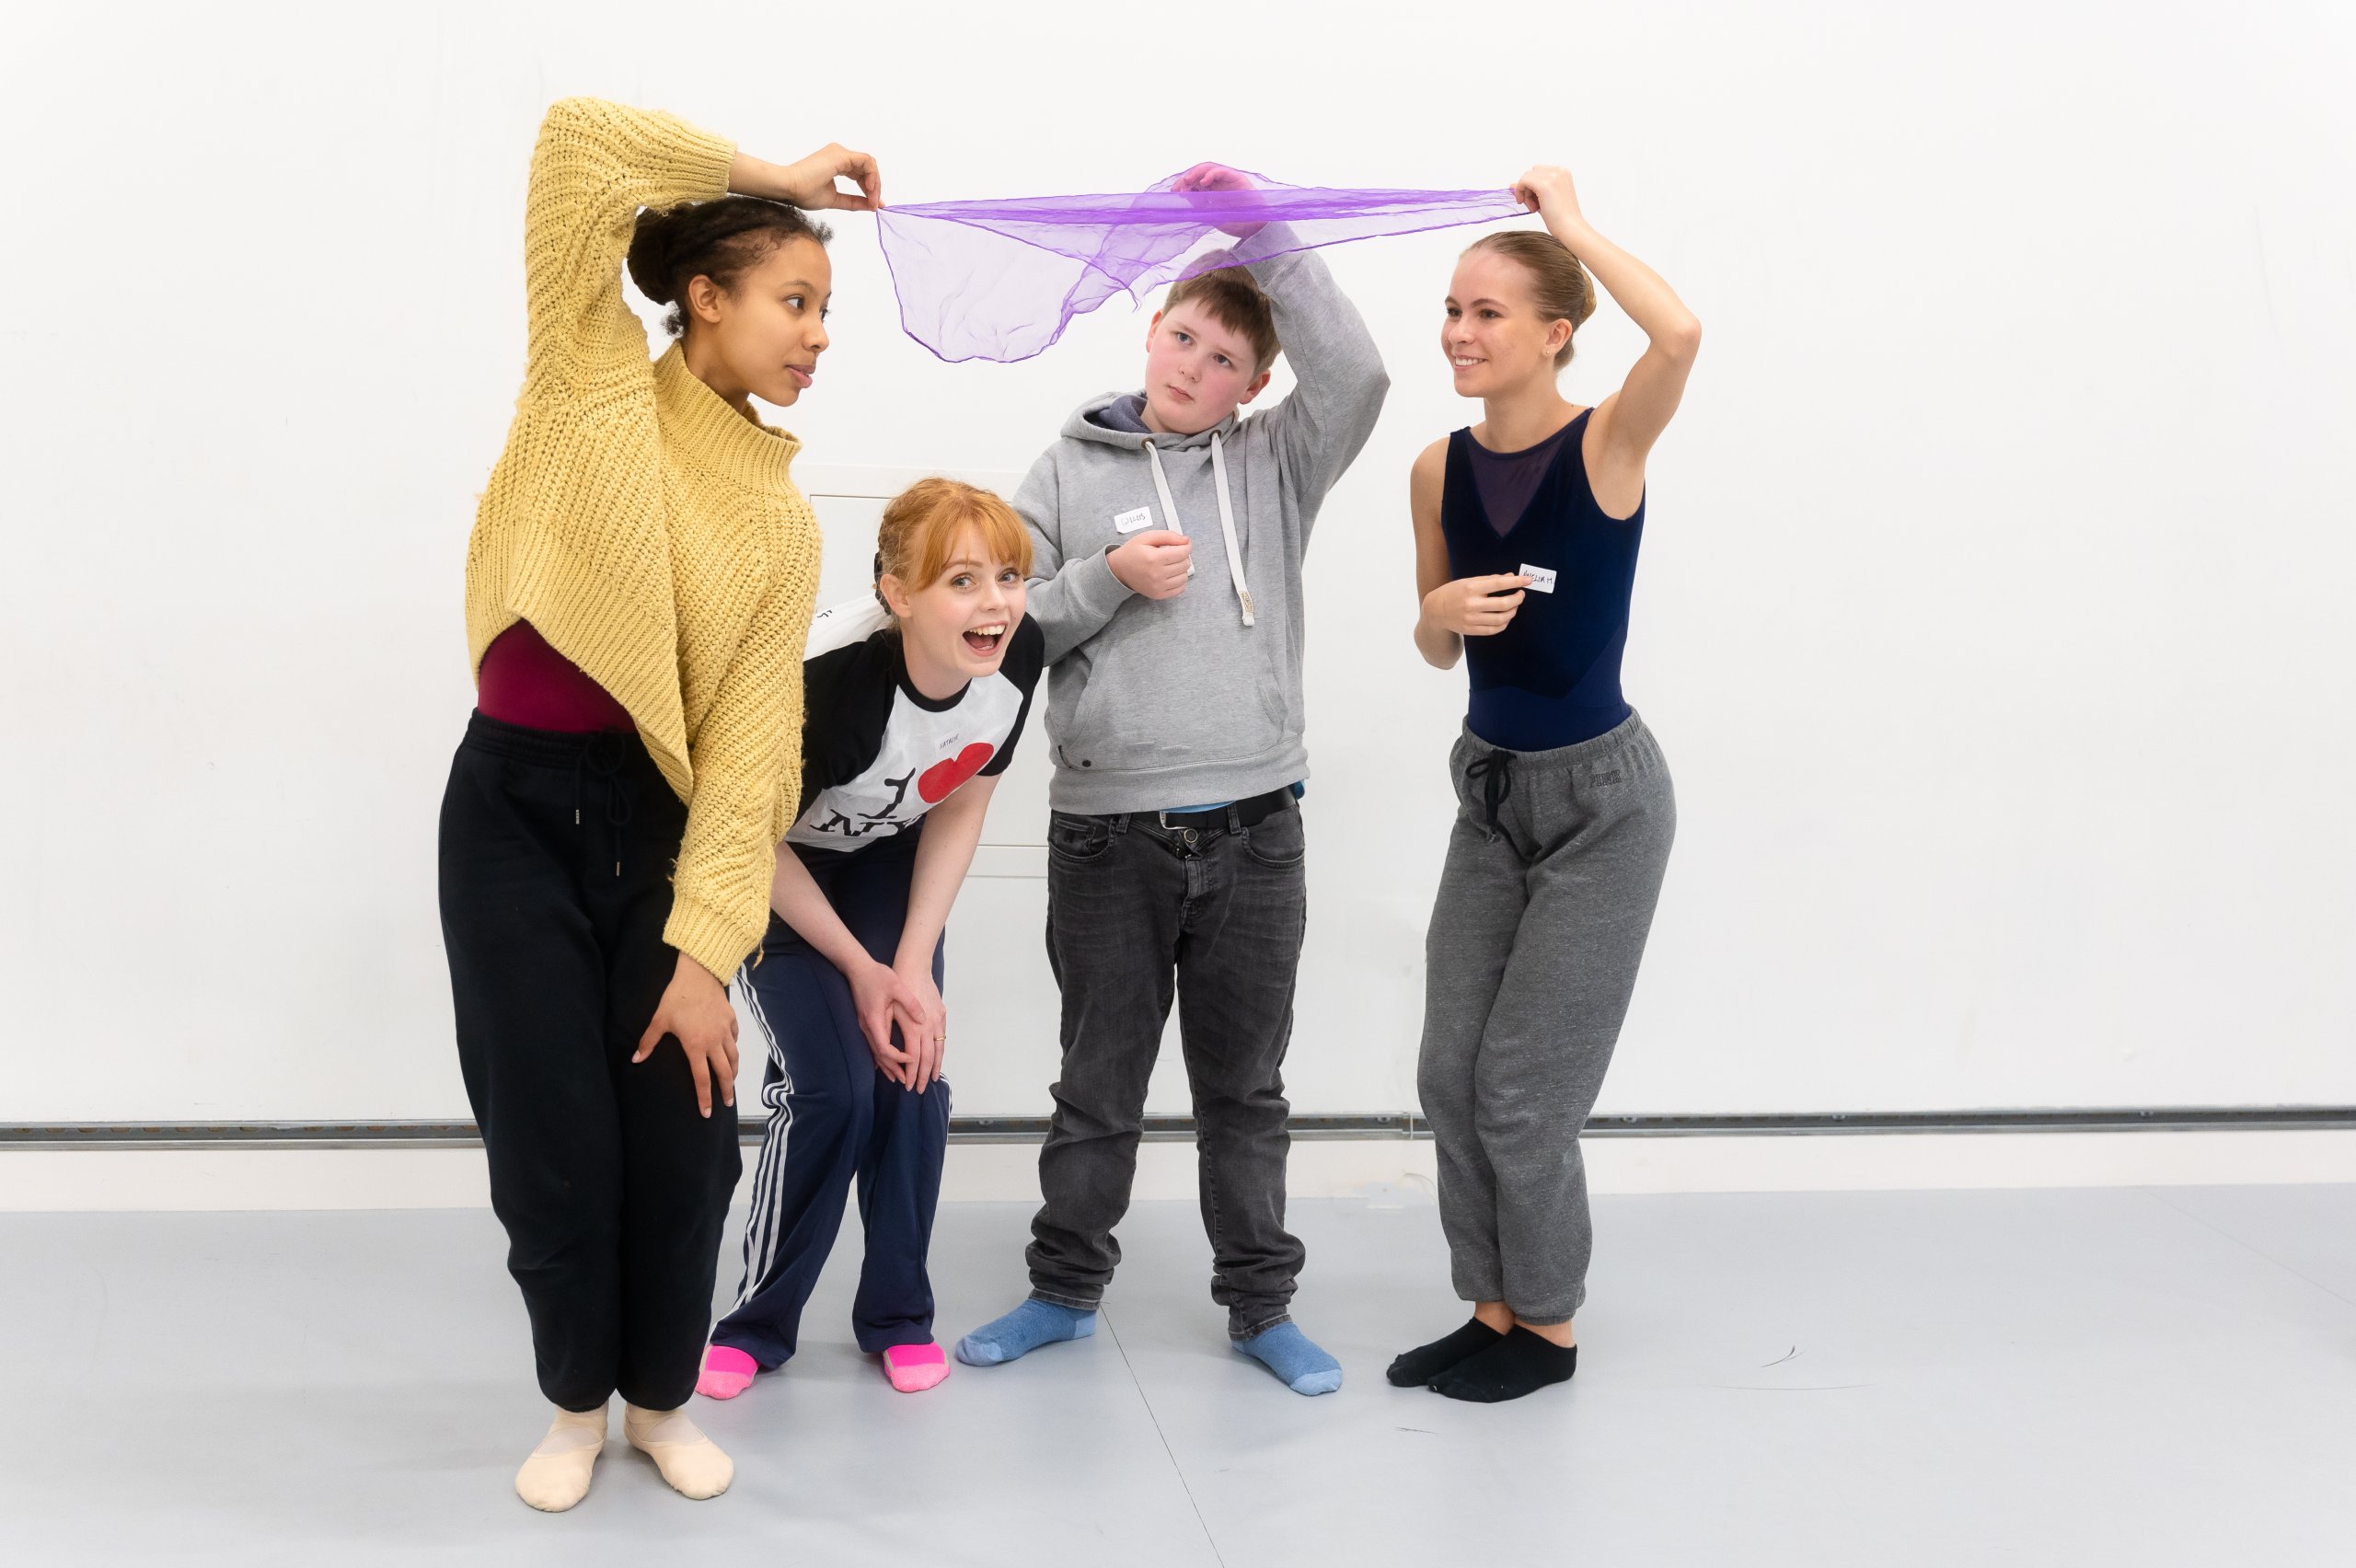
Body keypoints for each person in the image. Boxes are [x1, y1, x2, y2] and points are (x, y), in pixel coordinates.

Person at [436, 96, 877, 1509]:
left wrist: (705, 958)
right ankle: (576, 1407)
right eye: (793, 301)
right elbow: (574, 141)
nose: (815, 334)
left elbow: (751, 757)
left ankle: (661, 1398)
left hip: (657, 826)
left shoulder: (777, 514)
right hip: (506, 811)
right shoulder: (589, 377)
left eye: (826, 311)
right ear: (703, 296)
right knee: (550, 1141)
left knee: (680, 1142)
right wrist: (780, 174)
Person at [954, 166, 1388, 1396]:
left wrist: (1265, 230)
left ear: (1254, 383)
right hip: (1107, 838)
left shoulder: (1278, 462)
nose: (1192, 365)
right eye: (1181, 336)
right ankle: (1061, 1292)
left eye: (1221, 358)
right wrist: (1105, 578)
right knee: (1096, 1086)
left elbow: (1356, 373)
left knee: (1245, 1089)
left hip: (1257, 832)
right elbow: (1000, 627)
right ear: (1151, 329)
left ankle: (1261, 1308)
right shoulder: (1061, 468)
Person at [1389, 165, 1700, 1403]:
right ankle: (1493, 1306)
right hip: (1493, 791)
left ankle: (1551, 1332)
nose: (1460, 334)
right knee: (1449, 1072)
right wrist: (1434, 613)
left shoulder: (1607, 443)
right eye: (1452, 311)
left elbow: (1679, 332)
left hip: (1603, 804)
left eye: (1489, 313)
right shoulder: (1435, 469)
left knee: (1523, 1091)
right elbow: (1432, 642)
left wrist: (1567, 225)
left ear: (1556, 334)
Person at [697, 479, 1044, 1401]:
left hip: (886, 870)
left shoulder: (1019, 651)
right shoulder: (820, 679)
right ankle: (756, 1323)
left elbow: (965, 796)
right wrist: (857, 968)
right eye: (961, 581)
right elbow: (741, 832)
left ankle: (896, 1314)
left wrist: (910, 968)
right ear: (897, 594)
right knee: (832, 1091)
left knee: (911, 1073)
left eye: (1007, 575)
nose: (996, 603)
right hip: (765, 869)